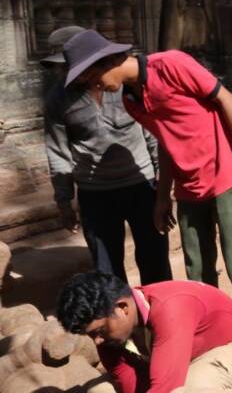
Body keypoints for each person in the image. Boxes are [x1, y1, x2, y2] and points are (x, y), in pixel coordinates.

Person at [62, 29, 232, 332]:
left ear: (106, 61)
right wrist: (163, 197)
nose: (93, 86)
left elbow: (225, 99)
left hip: (224, 175)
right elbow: (166, 141)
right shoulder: (131, 100)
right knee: (198, 274)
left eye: (91, 77)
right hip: (188, 187)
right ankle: (216, 333)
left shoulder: (171, 64)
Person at [42, 26, 171, 285]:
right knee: (107, 270)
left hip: (141, 185)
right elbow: (58, 152)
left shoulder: (123, 84)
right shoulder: (57, 99)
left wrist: (162, 186)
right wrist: (64, 202)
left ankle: (158, 319)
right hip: (95, 192)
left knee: (155, 260)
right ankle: (121, 320)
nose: (69, 73)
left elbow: (153, 131)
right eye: (64, 67)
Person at [57, 271, 232, 393]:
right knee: (99, 391)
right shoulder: (108, 337)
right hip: (180, 361)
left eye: (99, 331)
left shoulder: (171, 307)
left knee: (191, 391)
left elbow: (165, 389)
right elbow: (128, 381)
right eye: (90, 335)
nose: (97, 341)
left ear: (123, 308)